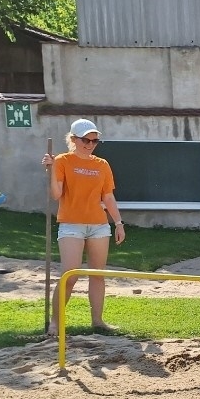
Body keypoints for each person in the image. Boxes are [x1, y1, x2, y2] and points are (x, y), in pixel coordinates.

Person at [41, 118, 126, 336]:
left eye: (94, 140)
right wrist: (50, 172)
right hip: (71, 225)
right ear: (73, 139)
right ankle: (55, 323)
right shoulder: (62, 161)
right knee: (70, 275)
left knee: (98, 275)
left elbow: (108, 196)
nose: (90, 144)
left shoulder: (102, 165)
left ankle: (97, 321)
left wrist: (118, 223)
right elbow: (56, 194)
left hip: (99, 225)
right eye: (85, 140)